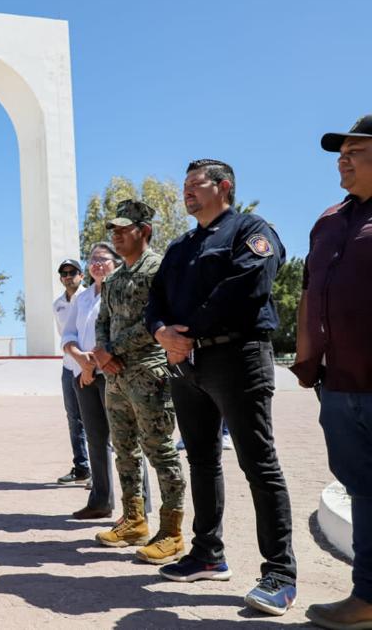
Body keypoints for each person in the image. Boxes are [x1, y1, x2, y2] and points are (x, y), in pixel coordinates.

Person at [148, 159, 296, 616]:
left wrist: (188, 329)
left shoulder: (250, 229)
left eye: (196, 185)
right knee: (202, 459)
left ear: (223, 186)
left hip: (238, 356)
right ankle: (207, 553)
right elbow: (156, 298)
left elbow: (249, 283)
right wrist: (161, 333)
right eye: (185, 186)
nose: (187, 192)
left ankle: (280, 573)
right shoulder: (180, 245)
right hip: (187, 362)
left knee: (258, 463)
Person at [294, 117, 372, 630]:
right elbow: (307, 293)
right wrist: (306, 360)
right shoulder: (327, 221)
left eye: (355, 151)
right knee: (362, 490)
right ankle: (366, 597)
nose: (342, 159)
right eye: (339, 152)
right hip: (340, 385)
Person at [92, 200, 186, 566]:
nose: (116, 235)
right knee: (124, 449)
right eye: (113, 230)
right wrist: (102, 352)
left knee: (160, 450)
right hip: (115, 375)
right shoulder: (114, 277)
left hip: (149, 372)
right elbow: (103, 319)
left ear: (143, 231)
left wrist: (110, 349)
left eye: (123, 229)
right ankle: (133, 520)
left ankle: (172, 532)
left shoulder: (159, 269)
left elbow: (157, 321)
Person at [61, 243, 120, 520]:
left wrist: (91, 365)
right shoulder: (81, 299)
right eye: (93, 259)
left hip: (112, 375)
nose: (97, 264)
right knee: (96, 440)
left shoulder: (120, 291)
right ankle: (100, 500)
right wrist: (80, 360)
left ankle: (138, 509)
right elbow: (68, 335)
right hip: (83, 377)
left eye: (103, 259)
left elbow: (118, 337)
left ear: (116, 263)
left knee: (126, 441)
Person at [53, 259, 91, 485]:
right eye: (64, 273)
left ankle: (99, 473)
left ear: (81, 275)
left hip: (88, 365)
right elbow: (64, 334)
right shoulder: (57, 304)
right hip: (68, 366)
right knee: (74, 418)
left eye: (72, 272)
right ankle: (81, 467)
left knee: (94, 419)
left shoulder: (90, 298)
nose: (68, 276)